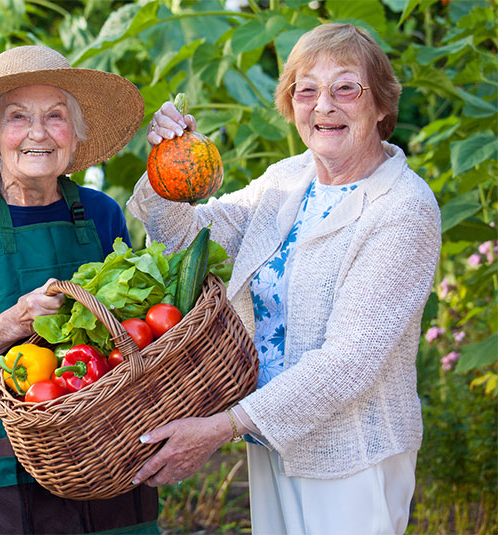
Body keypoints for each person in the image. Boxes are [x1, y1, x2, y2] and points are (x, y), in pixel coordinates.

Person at [127, 23, 440, 535]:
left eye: (346, 88)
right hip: (271, 441)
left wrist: (218, 428)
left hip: (351, 455)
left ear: (381, 105)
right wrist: (165, 163)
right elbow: (188, 239)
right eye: (307, 90)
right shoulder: (287, 180)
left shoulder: (402, 208)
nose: (324, 106)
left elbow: (349, 362)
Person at [0, 45, 159, 534]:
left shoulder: (102, 214)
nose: (38, 133)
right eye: (18, 117)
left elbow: (137, 341)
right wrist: (6, 327)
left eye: (56, 116)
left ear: (75, 133)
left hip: (108, 463)